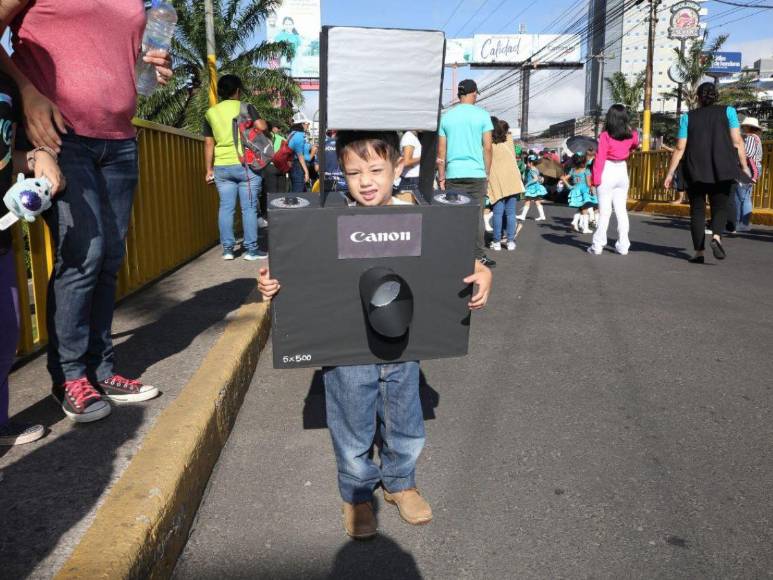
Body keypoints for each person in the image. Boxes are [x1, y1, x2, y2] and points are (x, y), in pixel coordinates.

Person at [258, 131, 492, 540]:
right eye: (353, 172)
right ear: (341, 175)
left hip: (404, 339)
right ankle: (358, 492)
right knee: (352, 415)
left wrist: (483, 270)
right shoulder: (324, 221)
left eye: (375, 170)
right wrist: (271, 284)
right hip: (347, 346)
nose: (365, 180)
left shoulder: (420, 213)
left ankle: (401, 482)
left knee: (405, 412)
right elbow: (295, 265)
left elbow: (447, 254)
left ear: (397, 168)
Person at [0, 1, 171, 422]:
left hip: (119, 138)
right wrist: (28, 92)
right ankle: (70, 376)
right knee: (83, 254)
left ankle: (102, 369)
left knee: (109, 257)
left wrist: (153, 63)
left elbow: (111, 51)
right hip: (60, 136)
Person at [0, 72, 65, 444]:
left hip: (2, 233)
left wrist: (38, 160)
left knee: (7, 332)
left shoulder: (10, 84)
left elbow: (7, 154)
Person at [664, 82, 749, 263]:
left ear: (698, 97)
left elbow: (680, 147)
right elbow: (737, 142)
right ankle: (716, 237)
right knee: (720, 206)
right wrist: (744, 167)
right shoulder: (729, 112)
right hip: (723, 168)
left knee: (697, 210)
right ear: (716, 96)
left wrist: (670, 173)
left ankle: (699, 253)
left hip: (695, 169)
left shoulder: (688, 117)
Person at [204, 75, 266, 261]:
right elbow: (261, 127)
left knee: (226, 207)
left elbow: (208, 144)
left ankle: (228, 250)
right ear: (237, 90)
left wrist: (208, 170)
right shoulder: (246, 107)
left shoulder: (211, 113)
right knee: (248, 208)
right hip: (245, 165)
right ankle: (251, 250)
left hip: (221, 167)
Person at [437, 79, 495, 267]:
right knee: (476, 215)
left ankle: (455, 252)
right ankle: (478, 256)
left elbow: (441, 151)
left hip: (453, 173)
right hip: (476, 174)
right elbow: (487, 148)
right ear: (474, 93)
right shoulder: (483, 115)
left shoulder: (447, 117)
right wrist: (487, 172)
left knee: (455, 215)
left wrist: (442, 176)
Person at [588, 104, 639, 256]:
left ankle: (597, 246)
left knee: (605, 212)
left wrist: (595, 180)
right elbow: (635, 144)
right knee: (621, 211)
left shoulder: (605, 136)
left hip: (607, 170)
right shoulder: (632, 134)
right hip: (622, 171)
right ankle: (624, 246)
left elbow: (600, 158)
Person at [487, 118, 524, 251]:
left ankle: (496, 241)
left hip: (496, 179)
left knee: (497, 213)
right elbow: (506, 130)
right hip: (512, 179)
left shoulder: (487, 143)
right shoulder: (508, 139)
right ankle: (510, 241)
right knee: (511, 213)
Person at [733, 117, 763, 232]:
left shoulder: (750, 138)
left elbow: (748, 154)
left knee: (739, 197)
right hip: (755, 169)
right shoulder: (757, 138)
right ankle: (744, 223)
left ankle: (737, 223)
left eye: (745, 126)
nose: (743, 127)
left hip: (748, 169)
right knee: (746, 197)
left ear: (749, 127)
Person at [563, 153, 593, 234]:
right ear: (584, 162)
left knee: (581, 208)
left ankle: (574, 221)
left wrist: (569, 186)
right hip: (584, 191)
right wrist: (592, 189)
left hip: (575, 190)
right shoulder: (586, 171)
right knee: (585, 209)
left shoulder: (573, 170)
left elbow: (563, 178)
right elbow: (588, 183)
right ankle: (585, 228)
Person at [518, 154, 548, 221]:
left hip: (532, 188)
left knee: (527, 200)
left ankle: (523, 216)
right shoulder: (536, 169)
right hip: (536, 187)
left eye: (527, 162)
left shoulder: (532, 170)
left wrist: (527, 184)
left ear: (531, 163)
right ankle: (542, 215)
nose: (527, 163)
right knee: (537, 201)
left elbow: (535, 179)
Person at [262, 121, 288, 198]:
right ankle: (281, 209)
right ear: (273, 128)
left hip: (270, 167)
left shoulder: (264, 137)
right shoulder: (283, 139)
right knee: (281, 193)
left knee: (271, 194)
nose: (279, 130)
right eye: (278, 128)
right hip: (281, 167)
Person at [288, 112, 311, 192]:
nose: (308, 125)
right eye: (307, 123)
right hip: (298, 167)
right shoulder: (299, 135)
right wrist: (306, 172)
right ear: (301, 124)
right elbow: (300, 155)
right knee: (298, 194)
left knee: (301, 193)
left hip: (296, 166)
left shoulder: (293, 134)